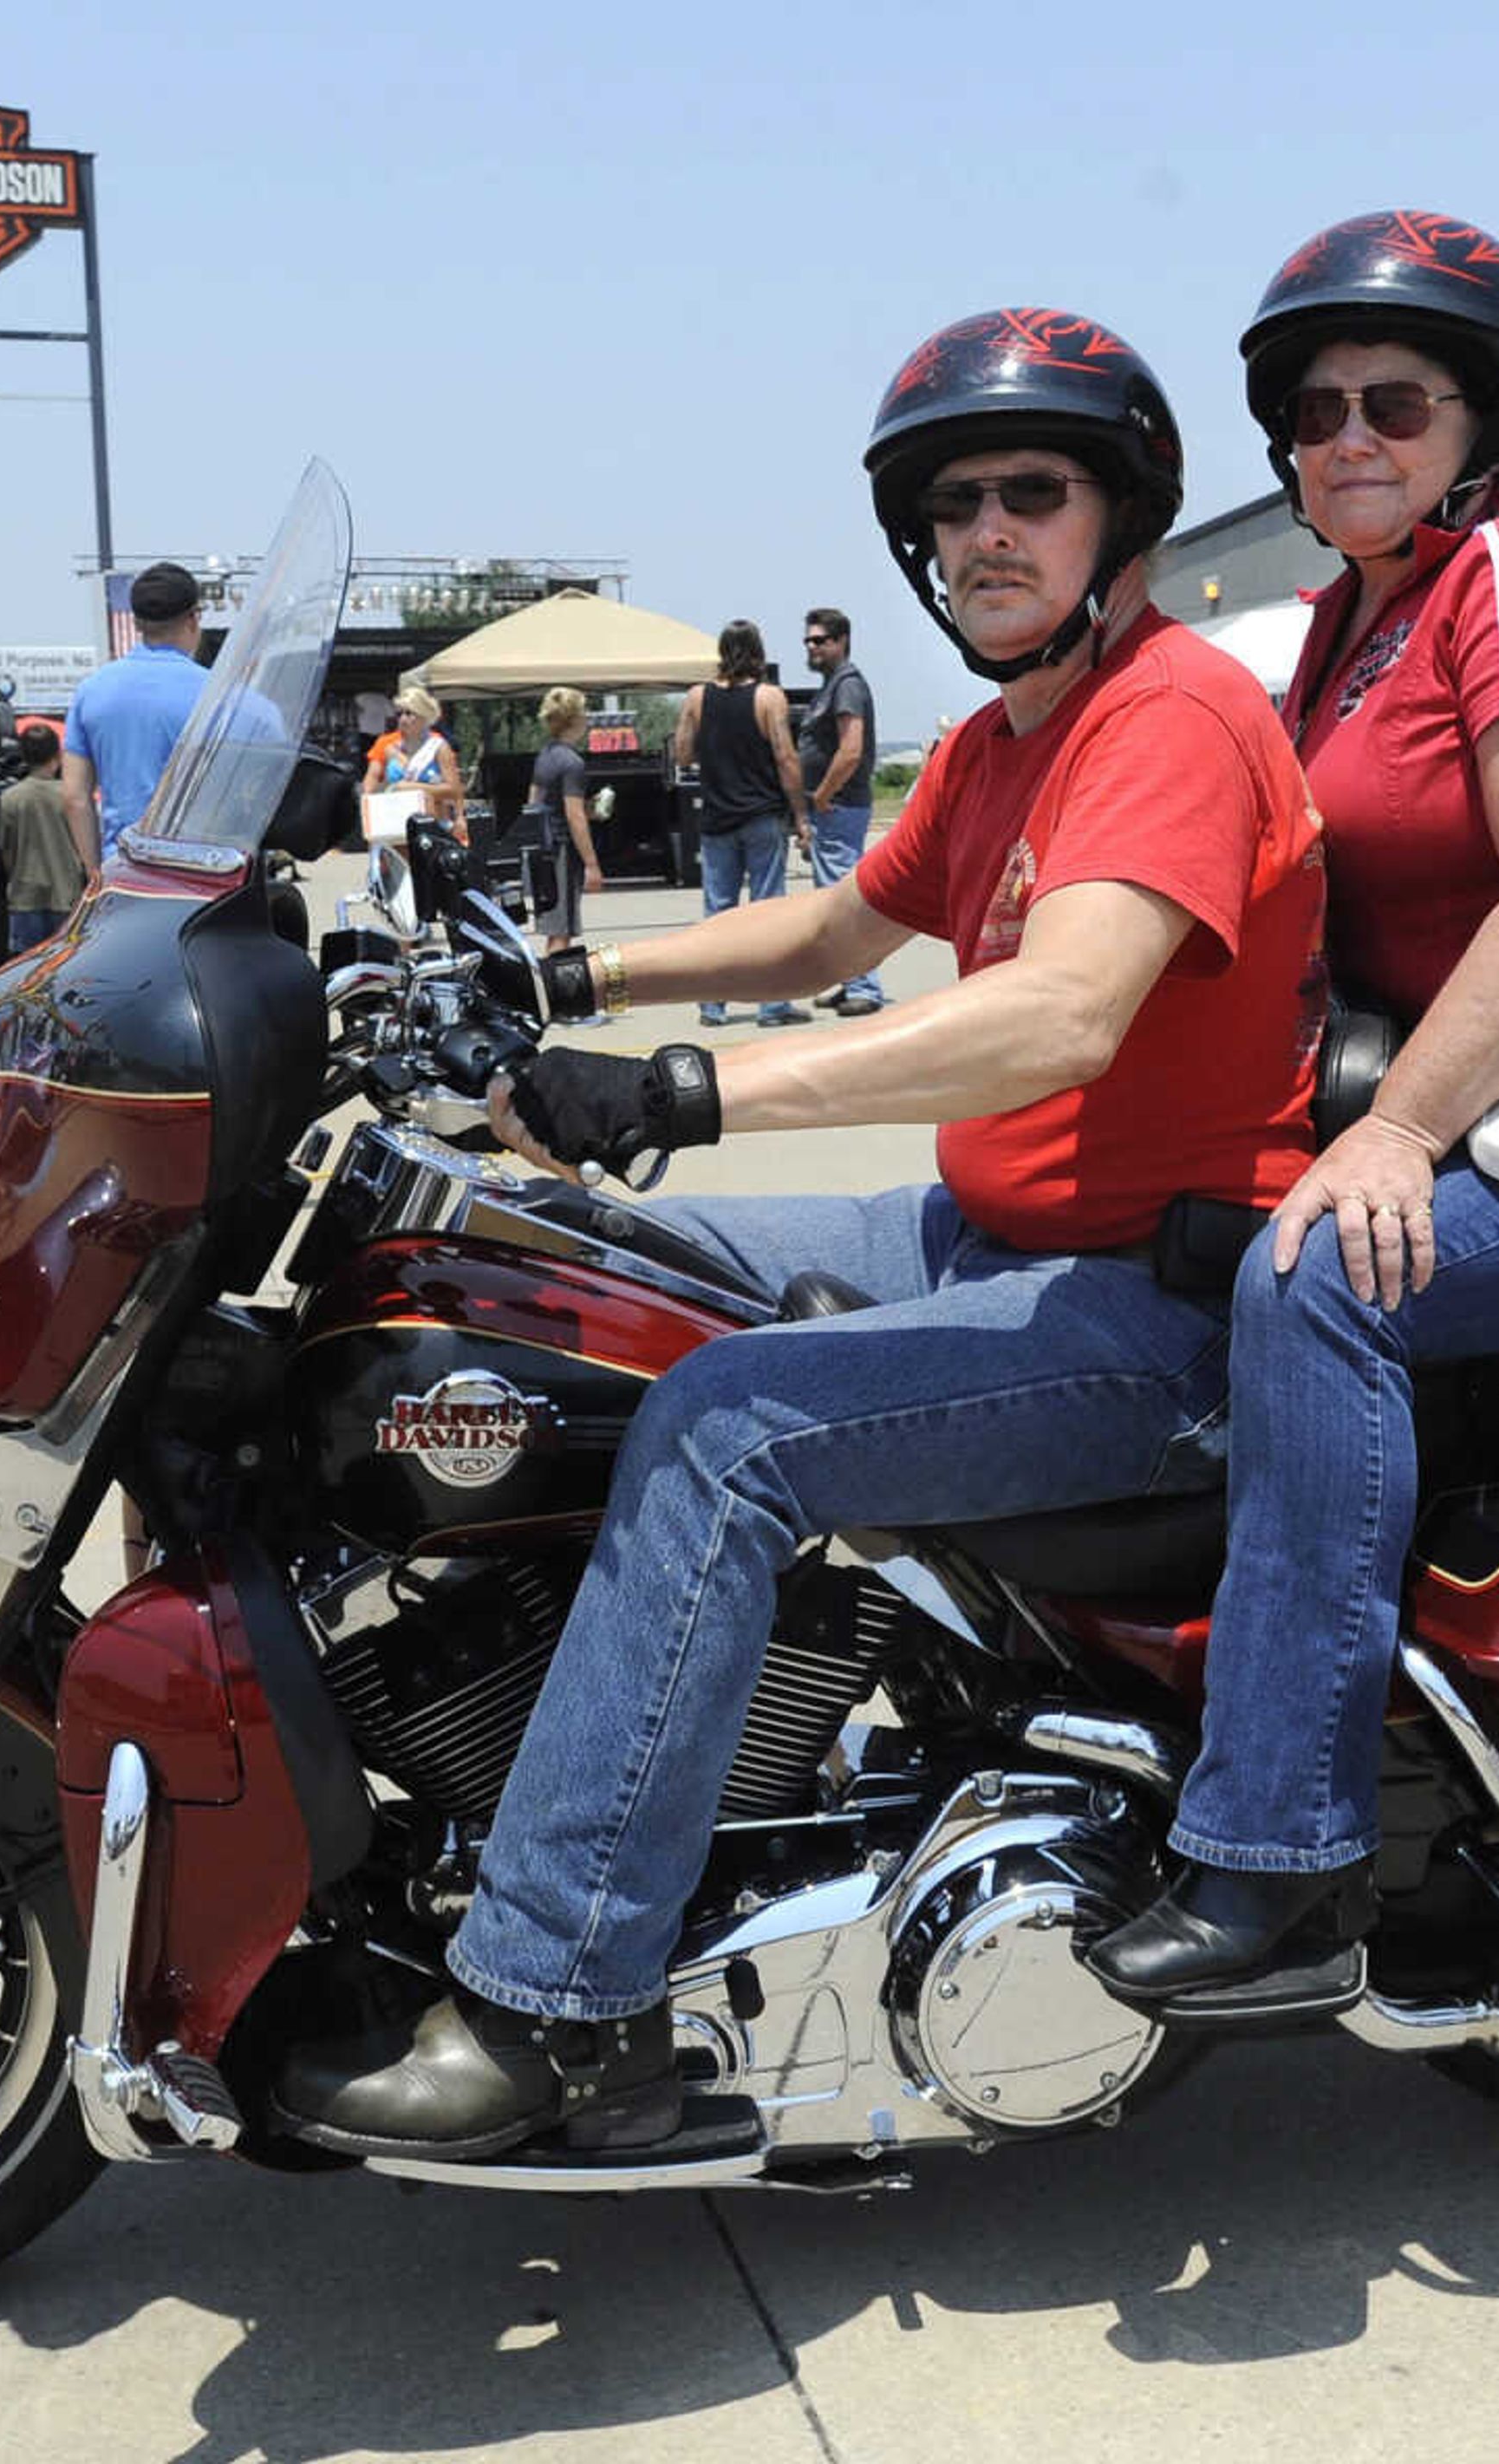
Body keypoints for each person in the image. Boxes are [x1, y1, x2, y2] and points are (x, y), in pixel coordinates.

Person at [273, 307, 1328, 2161]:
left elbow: (1062, 1014)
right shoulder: (1019, 732)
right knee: (561, 1265)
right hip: (984, 1226)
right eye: (954, 505)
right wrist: (563, 970)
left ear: (1122, 516)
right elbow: (836, 932)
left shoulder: (1168, 712)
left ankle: (556, 1994)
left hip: (1158, 1308)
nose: (986, 532)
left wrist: (681, 1091)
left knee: (726, 1425)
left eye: (1031, 493)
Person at [1083, 212, 1499, 2009]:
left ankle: (1282, 1855)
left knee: (1317, 1280)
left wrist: (1390, 1141)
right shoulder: (1341, 625)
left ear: (1491, 419)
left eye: (1396, 399)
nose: (1348, 437)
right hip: (1473, 1097)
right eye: (1313, 412)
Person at [673, 620, 814, 1027]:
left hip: (717, 817)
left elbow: (682, 754)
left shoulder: (697, 697)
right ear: (758, 651)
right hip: (762, 816)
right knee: (769, 911)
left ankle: (712, 1005)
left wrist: (715, 750)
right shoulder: (770, 697)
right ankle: (772, 1006)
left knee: (718, 913)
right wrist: (800, 814)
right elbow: (787, 759)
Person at [63, 563, 211, 852]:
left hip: (124, 870)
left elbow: (75, 798)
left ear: (136, 623)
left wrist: (96, 873)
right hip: (203, 874)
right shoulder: (221, 694)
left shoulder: (91, 692)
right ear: (193, 619)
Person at [795, 606, 886, 1014]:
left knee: (846, 900)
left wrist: (823, 794)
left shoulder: (847, 685)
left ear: (841, 641)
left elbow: (850, 750)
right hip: (831, 807)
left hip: (839, 806)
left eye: (819, 640)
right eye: (808, 641)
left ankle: (865, 988)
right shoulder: (832, 685)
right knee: (832, 900)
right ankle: (850, 980)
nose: (811, 647)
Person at [522, 685, 603, 956]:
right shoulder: (572, 763)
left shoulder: (545, 755)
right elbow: (574, 815)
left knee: (554, 927)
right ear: (575, 719)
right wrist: (592, 864)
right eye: (585, 712)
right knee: (562, 930)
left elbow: (534, 802)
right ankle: (554, 992)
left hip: (543, 846)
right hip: (562, 850)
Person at [0, 723, 85, 951]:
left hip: (25, 896)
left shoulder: (10, 798)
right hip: (67, 895)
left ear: (24, 755)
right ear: (58, 754)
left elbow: (6, 849)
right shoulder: (71, 796)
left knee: (26, 970)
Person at [367, 684, 465, 831]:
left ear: (424, 716)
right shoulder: (389, 749)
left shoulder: (438, 747)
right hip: (395, 825)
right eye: (399, 714)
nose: (403, 719)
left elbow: (454, 790)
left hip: (432, 825)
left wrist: (411, 788)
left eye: (409, 713)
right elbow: (377, 785)